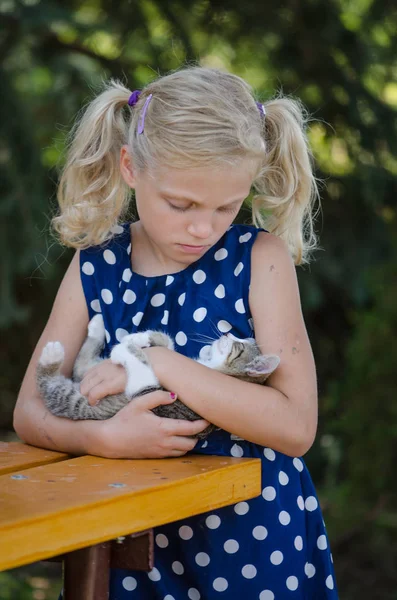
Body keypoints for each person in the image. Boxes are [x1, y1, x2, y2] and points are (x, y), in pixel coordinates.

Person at [14, 66, 338, 599]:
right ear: (130, 168)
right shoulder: (96, 264)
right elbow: (29, 410)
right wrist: (100, 438)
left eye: (226, 207)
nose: (203, 228)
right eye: (181, 204)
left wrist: (162, 365)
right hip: (128, 541)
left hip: (250, 544)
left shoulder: (258, 260)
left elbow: (296, 425)